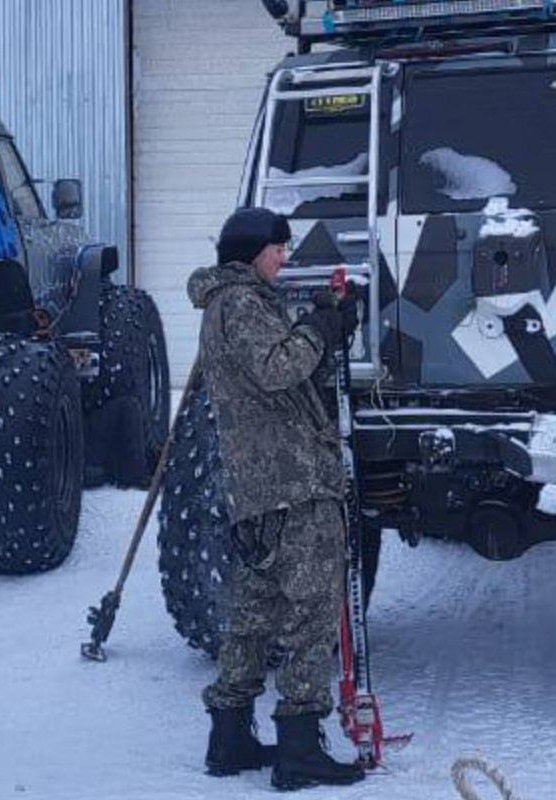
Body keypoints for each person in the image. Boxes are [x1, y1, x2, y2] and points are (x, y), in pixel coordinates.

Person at [186, 207, 362, 791]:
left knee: (255, 613)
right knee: (310, 614)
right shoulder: (242, 303)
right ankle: (300, 747)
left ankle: (230, 734)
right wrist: (319, 328)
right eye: (278, 249)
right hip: (294, 483)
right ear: (253, 250)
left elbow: (279, 384)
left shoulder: (223, 306)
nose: (283, 259)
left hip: (258, 489)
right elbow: (278, 366)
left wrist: (329, 333)